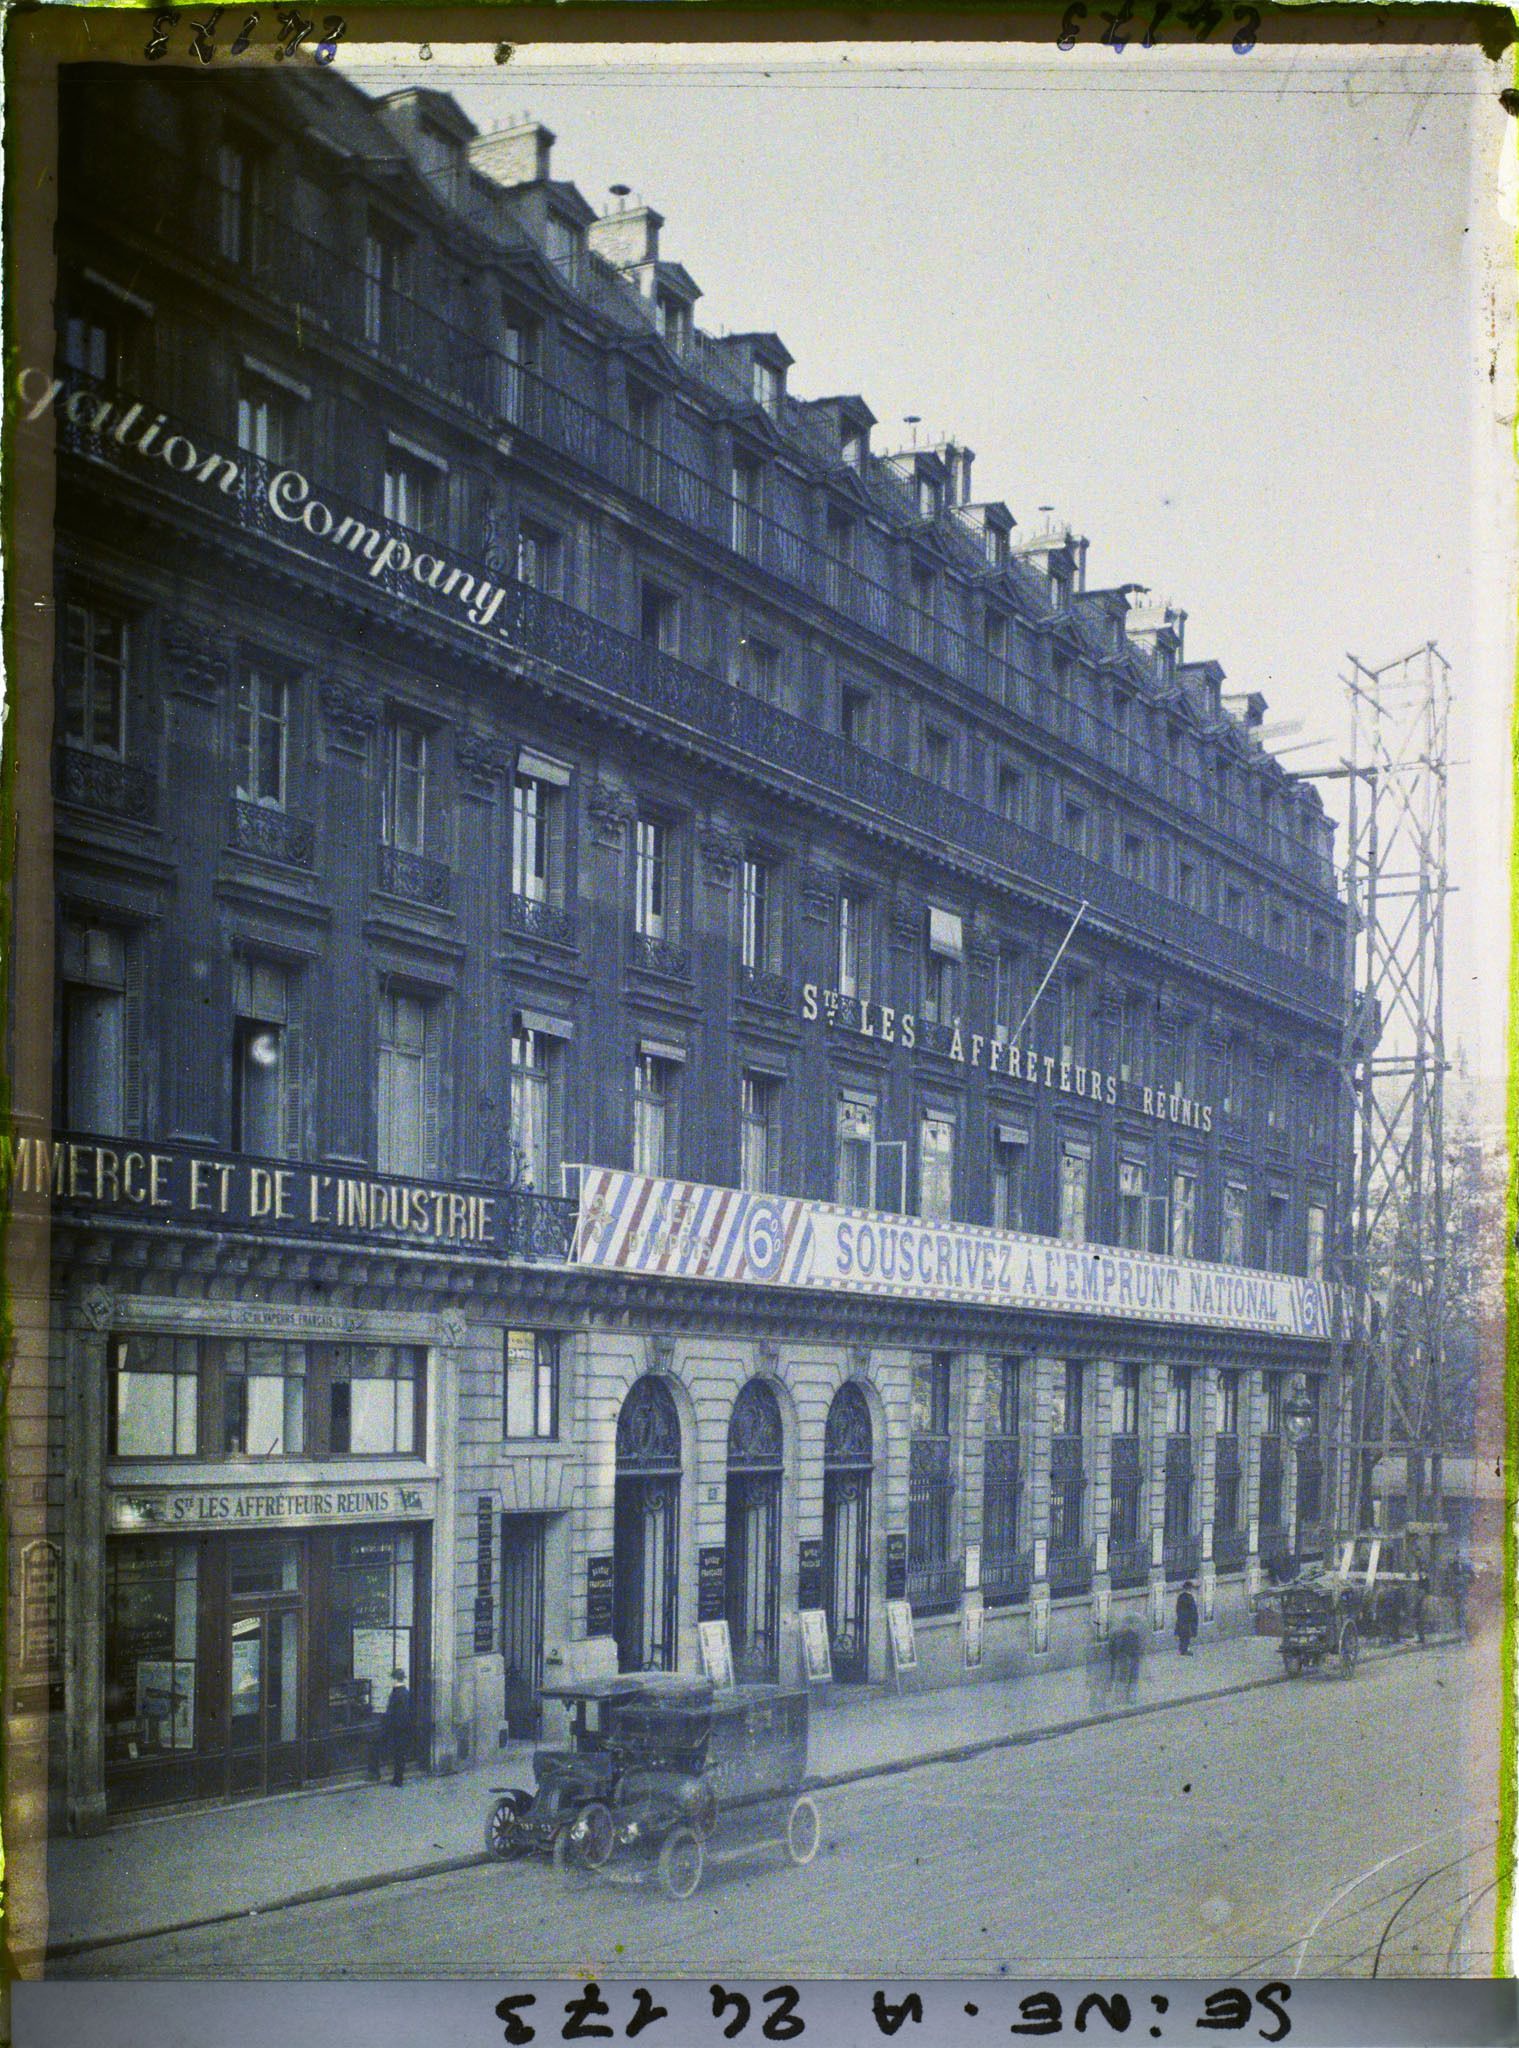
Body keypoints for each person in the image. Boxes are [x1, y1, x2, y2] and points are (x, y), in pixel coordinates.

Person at [371, 1668, 414, 1788]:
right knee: (400, 1755)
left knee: (396, 1754)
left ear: (394, 1679)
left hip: (395, 1729)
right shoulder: (406, 1692)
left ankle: (396, 1779)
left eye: (391, 1678)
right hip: (403, 1729)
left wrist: (386, 1725)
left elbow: (392, 1712)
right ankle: (397, 1779)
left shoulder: (396, 1693)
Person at [1108, 1621, 1143, 1704]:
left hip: (1127, 1659)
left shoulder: (1118, 1634)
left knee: (1125, 1679)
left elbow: (1112, 1649)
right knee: (1128, 1679)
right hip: (1127, 1659)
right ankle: (1128, 1698)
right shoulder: (1132, 1634)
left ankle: (1124, 1698)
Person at [1175, 1581, 1199, 1657]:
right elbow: (1192, 1610)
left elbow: (1177, 1608)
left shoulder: (1180, 1596)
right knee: (1187, 1635)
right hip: (1188, 1620)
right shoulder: (1190, 1597)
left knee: (1182, 1635)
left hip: (1181, 1619)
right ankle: (1184, 1650)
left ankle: (1181, 1649)